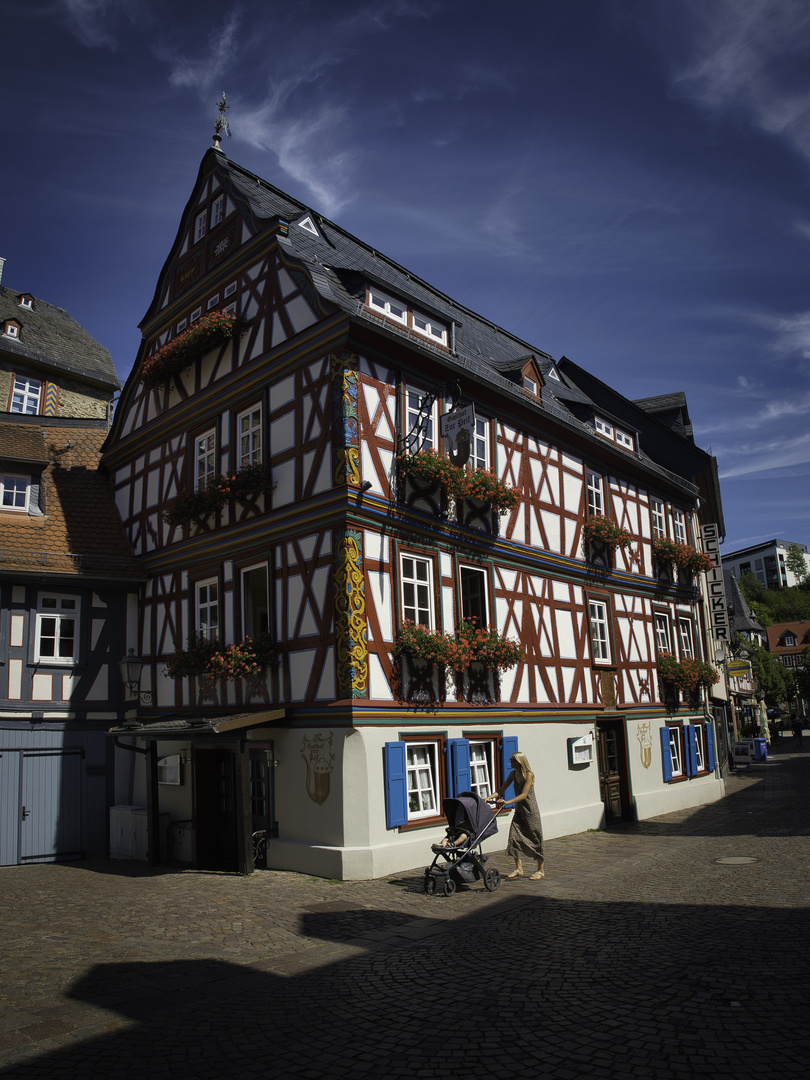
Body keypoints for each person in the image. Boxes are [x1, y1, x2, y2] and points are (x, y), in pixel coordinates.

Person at [485, 752, 545, 880]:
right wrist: (488, 798)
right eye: (511, 759)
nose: (511, 761)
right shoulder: (513, 774)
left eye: (513, 759)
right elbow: (501, 790)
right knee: (514, 837)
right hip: (519, 810)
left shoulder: (529, 775)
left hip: (530, 810)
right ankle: (519, 868)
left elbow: (524, 795)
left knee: (535, 838)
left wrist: (507, 802)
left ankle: (540, 870)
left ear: (519, 761)